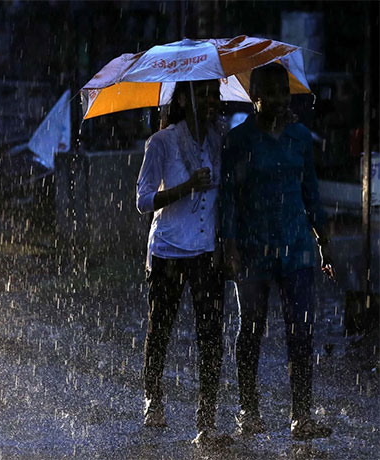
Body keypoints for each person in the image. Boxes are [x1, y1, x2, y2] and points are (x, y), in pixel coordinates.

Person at [221, 63, 335, 441]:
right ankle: (247, 410)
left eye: (284, 93)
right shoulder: (239, 141)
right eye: (270, 93)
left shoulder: (301, 138)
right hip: (254, 250)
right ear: (254, 98)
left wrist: (325, 243)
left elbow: (312, 195)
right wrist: (229, 244)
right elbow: (229, 199)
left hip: (297, 248)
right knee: (250, 330)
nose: (279, 100)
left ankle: (300, 415)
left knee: (301, 332)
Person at [136, 79, 231, 448]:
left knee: (211, 338)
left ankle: (206, 421)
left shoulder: (217, 139)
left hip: (206, 251)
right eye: (202, 93)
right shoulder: (162, 142)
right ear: (183, 98)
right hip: (169, 251)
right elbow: (143, 201)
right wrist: (185, 186)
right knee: (161, 329)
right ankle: (153, 398)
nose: (210, 100)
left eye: (213, 93)